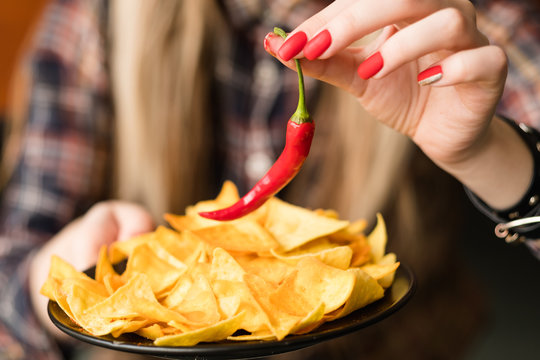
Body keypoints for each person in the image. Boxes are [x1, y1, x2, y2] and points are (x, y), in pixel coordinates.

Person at [0, 0, 539, 359]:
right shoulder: (96, 14)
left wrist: (487, 153)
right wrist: (63, 277)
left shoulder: (457, 16)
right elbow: (9, 293)